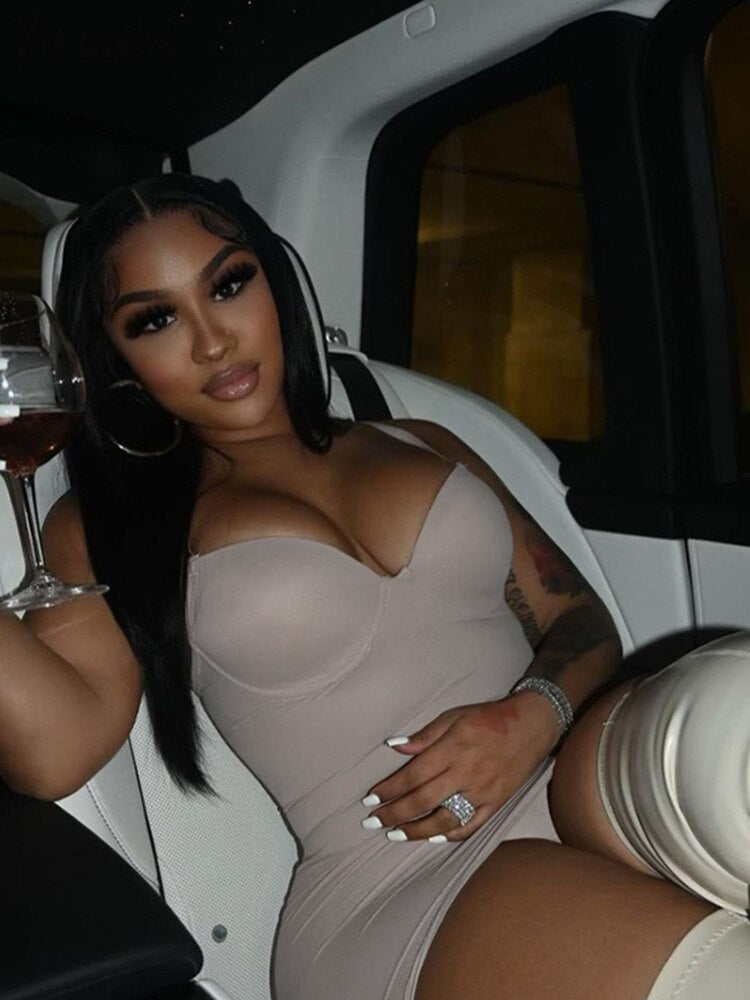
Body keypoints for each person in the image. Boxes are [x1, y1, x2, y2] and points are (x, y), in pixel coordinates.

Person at [0, 173, 747, 1000]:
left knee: (731, 717)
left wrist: (533, 714)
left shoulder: (423, 439)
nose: (212, 341)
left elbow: (576, 617)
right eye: (155, 319)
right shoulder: (110, 523)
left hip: (563, 770)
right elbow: (55, 751)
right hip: (403, 886)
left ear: (276, 285)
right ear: (118, 363)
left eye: (230, 284)